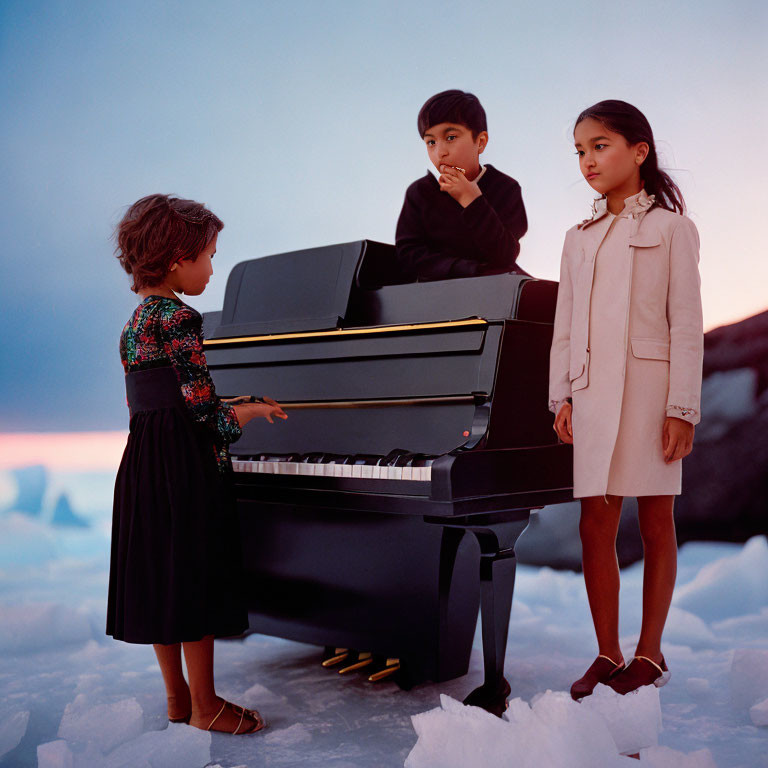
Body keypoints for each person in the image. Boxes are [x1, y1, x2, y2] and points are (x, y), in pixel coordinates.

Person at [107, 194, 287, 734]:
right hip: (185, 465)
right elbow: (201, 409)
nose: (212, 268)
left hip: (143, 461)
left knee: (163, 577)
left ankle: (177, 699)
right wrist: (247, 413)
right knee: (195, 579)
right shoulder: (181, 318)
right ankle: (207, 706)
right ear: (175, 259)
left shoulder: (132, 327)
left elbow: (150, 402)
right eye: (208, 256)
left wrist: (230, 405)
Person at [548, 100, 703, 699]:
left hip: (650, 393)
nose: (588, 161)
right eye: (580, 151)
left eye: (600, 146)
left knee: (657, 520)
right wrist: (560, 394)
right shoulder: (576, 239)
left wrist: (681, 408)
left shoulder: (672, 230)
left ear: (639, 150)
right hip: (589, 392)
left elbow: (686, 323)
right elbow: (565, 323)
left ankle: (651, 653)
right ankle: (608, 653)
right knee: (595, 523)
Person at [393, 89, 528, 283]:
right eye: (431, 142)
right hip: (437, 292)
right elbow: (409, 255)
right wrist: (467, 270)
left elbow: (504, 255)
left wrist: (473, 201)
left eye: (450, 138)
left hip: (493, 288)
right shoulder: (420, 193)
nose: (440, 152)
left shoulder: (506, 188)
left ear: (480, 142)